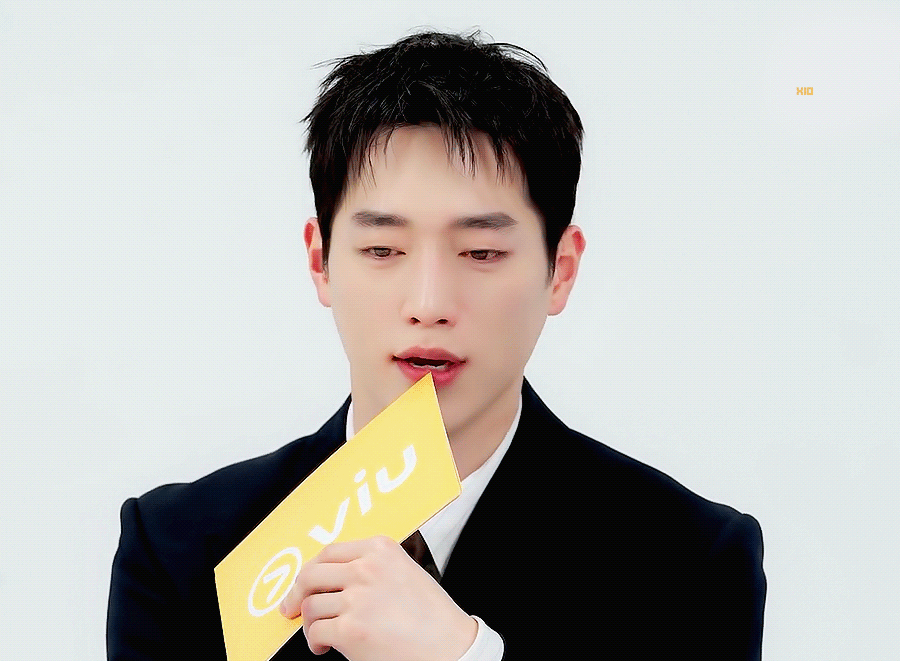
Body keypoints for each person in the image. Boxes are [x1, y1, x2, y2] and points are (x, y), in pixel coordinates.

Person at [107, 31, 766, 661]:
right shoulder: (182, 548)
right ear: (320, 262)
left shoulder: (691, 560)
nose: (428, 303)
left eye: (481, 252)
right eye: (382, 249)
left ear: (560, 270)